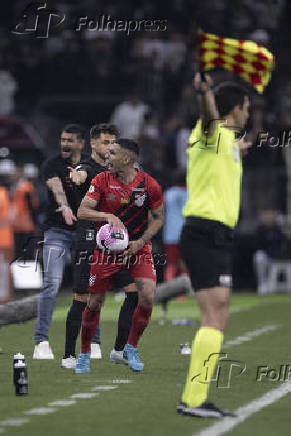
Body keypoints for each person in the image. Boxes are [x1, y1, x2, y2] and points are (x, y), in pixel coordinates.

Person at [177, 73, 250, 418]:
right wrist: (206, 93)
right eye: (246, 108)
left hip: (216, 235)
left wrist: (238, 150)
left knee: (219, 314)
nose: (249, 114)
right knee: (214, 312)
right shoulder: (208, 133)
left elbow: (223, 149)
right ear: (234, 110)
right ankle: (193, 400)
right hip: (205, 232)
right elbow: (208, 120)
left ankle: (196, 398)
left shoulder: (229, 144)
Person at [75, 138, 164, 373]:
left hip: (137, 249)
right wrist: (107, 216)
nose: (107, 156)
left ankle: (131, 348)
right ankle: (84, 353)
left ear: (127, 159)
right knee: (94, 303)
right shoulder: (101, 179)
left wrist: (141, 242)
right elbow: (82, 211)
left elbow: (158, 218)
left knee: (147, 296)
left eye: (112, 153)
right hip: (105, 252)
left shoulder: (149, 184)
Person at [62, 123, 138, 368]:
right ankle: (68, 356)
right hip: (89, 243)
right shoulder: (88, 168)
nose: (109, 148)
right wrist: (77, 176)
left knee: (134, 292)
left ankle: (118, 350)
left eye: (112, 144)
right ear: (93, 144)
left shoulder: (116, 170)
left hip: (115, 244)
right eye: (104, 143)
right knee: (82, 297)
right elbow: (80, 174)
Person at [33, 124, 86, 359]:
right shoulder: (51, 164)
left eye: (70, 140)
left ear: (81, 143)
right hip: (57, 231)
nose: (64, 144)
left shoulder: (89, 166)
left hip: (86, 233)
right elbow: (55, 185)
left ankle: (91, 342)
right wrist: (64, 205)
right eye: (63, 139)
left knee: (89, 288)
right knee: (51, 284)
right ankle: (41, 342)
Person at [253, 209, 289, 293]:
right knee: (259, 257)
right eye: (267, 216)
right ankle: (262, 284)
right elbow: (258, 245)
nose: (269, 218)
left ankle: (271, 285)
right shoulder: (260, 229)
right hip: (265, 256)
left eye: (271, 216)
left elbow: (284, 243)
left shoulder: (278, 229)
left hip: (277, 256)